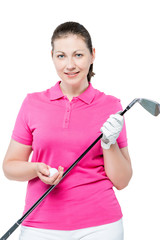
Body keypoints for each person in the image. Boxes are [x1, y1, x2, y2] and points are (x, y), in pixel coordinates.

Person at [3, 21, 132, 240]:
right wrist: (36, 169)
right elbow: (9, 167)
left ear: (92, 55)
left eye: (78, 55)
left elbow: (122, 180)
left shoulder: (111, 106)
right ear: (52, 56)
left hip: (101, 226)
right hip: (39, 223)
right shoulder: (32, 103)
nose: (70, 65)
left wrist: (108, 144)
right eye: (61, 56)